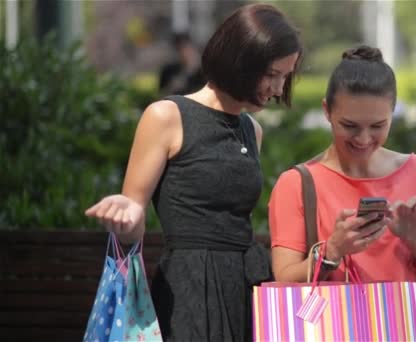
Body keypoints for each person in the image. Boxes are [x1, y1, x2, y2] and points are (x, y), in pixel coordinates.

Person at [85, 4, 302, 341]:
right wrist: (126, 218)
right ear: (240, 61)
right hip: (190, 288)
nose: (278, 87)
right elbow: (133, 214)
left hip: (246, 284)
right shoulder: (166, 116)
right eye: (272, 74)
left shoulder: (251, 129)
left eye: (285, 76)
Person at [268, 45, 416, 341]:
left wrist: (415, 241)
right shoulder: (297, 183)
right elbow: (284, 277)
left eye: (377, 126)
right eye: (350, 126)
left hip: (415, 331)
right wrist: (333, 251)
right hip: (334, 330)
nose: (363, 138)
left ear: (392, 115)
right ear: (327, 111)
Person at [158, 32, 204, 96]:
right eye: (179, 48)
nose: (183, 52)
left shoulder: (200, 71)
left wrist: (191, 70)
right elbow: (161, 91)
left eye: (185, 47)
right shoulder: (169, 69)